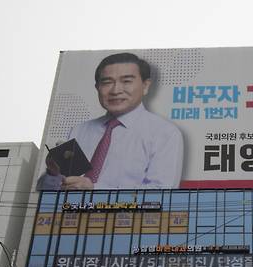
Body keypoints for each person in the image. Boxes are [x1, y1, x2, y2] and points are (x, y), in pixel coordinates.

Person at [37, 52, 184, 190]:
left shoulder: (165, 133)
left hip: (128, 217)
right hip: (70, 214)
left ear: (145, 86)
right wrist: (53, 173)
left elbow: (161, 193)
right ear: (97, 87)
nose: (115, 90)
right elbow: (46, 190)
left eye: (126, 81)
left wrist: (94, 189)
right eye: (107, 82)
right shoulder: (80, 129)